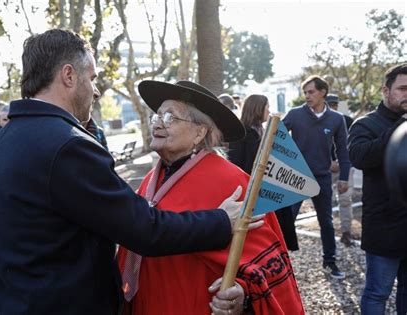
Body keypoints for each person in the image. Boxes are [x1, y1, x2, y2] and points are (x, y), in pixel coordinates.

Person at [0, 29, 255, 314]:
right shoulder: (68, 146)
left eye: (170, 117)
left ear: (201, 131)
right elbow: (144, 230)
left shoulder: (2, 138)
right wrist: (222, 221)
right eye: (93, 77)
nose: (96, 90)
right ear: (69, 76)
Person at [118, 81, 304, 315]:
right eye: (157, 116)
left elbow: (267, 262)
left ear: (200, 132)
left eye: (170, 117)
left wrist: (242, 291)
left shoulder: (231, 182)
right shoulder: (150, 180)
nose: (157, 124)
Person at [348, 63, 407, 314]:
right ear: (385, 90)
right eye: (403, 89)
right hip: (384, 226)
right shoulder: (365, 124)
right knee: (377, 293)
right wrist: (401, 126)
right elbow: (360, 157)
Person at [283, 75, 350, 279]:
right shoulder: (294, 115)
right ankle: (277, 263)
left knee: (326, 223)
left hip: (321, 178)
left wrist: (344, 177)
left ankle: (329, 262)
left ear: (323, 93)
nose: (307, 96)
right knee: (285, 221)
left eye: (311, 92)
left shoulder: (337, 119)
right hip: (296, 177)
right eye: (305, 92)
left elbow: (343, 151)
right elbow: (275, 139)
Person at [228, 94, 299, 251]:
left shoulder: (264, 132)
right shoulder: (242, 134)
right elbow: (236, 164)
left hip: (269, 192)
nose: (269, 111)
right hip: (253, 195)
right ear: (258, 109)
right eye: (267, 107)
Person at [325, 94, 355, 247]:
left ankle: (346, 232)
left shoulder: (347, 121)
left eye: (335, 104)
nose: (333, 107)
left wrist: (343, 162)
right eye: (330, 104)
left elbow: (352, 144)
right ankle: (328, 235)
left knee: (345, 200)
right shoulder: (318, 121)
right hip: (326, 166)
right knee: (325, 201)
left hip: (345, 165)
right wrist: (329, 162)